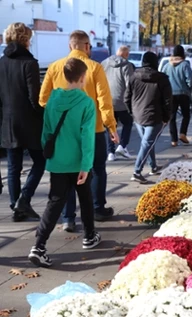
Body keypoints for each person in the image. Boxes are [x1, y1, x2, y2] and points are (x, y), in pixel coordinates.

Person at [40, 30, 118, 231]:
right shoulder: (95, 67)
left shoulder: (55, 67)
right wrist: (111, 126)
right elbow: (103, 99)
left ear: (69, 46)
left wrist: (58, 113)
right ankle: (97, 208)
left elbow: (42, 99)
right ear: (86, 46)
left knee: (67, 171)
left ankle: (68, 217)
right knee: (97, 168)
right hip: (94, 128)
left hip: (65, 131)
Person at [28, 58, 101, 268]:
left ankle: (39, 245)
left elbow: (46, 131)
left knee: (55, 202)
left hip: (58, 160)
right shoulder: (86, 102)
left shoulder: (52, 99)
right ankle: (89, 236)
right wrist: (86, 165)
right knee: (86, 198)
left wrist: (50, 153)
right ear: (81, 78)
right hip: (78, 162)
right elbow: (87, 137)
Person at [0, 22, 45, 222]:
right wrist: (44, 115)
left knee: (13, 167)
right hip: (29, 121)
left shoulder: (1, 62)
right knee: (40, 161)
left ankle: (15, 208)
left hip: (7, 121)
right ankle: (24, 199)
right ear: (25, 39)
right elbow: (34, 98)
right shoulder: (29, 63)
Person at [126, 52, 172, 184]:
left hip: (138, 115)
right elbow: (168, 100)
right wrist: (166, 117)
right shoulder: (162, 79)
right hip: (155, 115)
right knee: (147, 143)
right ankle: (137, 171)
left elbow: (126, 97)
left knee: (147, 142)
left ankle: (153, 166)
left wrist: (132, 112)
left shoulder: (133, 76)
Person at [101, 45, 134, 161]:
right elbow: (129, 85)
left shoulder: (104, 63)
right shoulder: (127, 65)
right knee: (128, 123)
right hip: (122, 101)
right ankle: (122, 146)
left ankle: (110, 152)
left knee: (110, 126)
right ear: (126, 54)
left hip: (107, 100)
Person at [162, 45, 192, 147]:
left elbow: (162, 78)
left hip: (170, 94)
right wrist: (190, 87)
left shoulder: (167, 65)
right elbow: (190, 79)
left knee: (172, 117)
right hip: (183, 93)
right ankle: (183, 133)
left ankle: (173, 140)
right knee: (186, 115)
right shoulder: (184, 65)